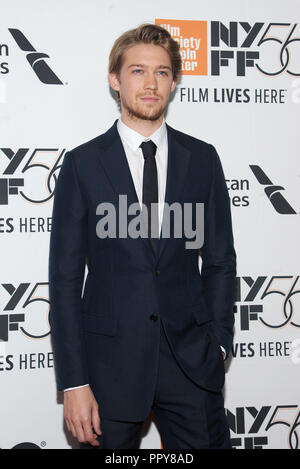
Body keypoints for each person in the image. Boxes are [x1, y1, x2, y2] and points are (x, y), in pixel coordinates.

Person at [49, 23, 236, 449]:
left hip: (192, 365)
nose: (150, 84)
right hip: (107, 368)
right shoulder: (82, 164)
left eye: (162, 72)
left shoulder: (202, 159)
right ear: (115, 80)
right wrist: (74, 381)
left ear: (173, 83)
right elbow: (63, 280)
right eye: (137, 71)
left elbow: (221, 261)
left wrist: (220, 344)